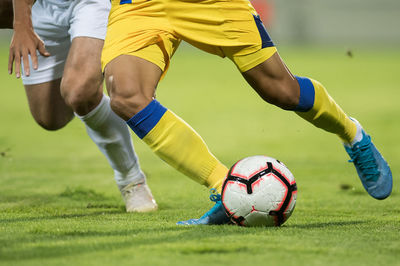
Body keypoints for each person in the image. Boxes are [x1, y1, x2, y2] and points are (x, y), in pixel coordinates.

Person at [100, 0, 393, 225]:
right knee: (127, 97)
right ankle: (226, 189)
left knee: (281, 90)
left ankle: (353, 134)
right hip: (139, 7)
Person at [7, 0, 158, 213]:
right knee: (49, 118)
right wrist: (21, 24)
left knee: (79, 92)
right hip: (40, 6)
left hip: (91, 3)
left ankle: (132, 180)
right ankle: (80, 62)